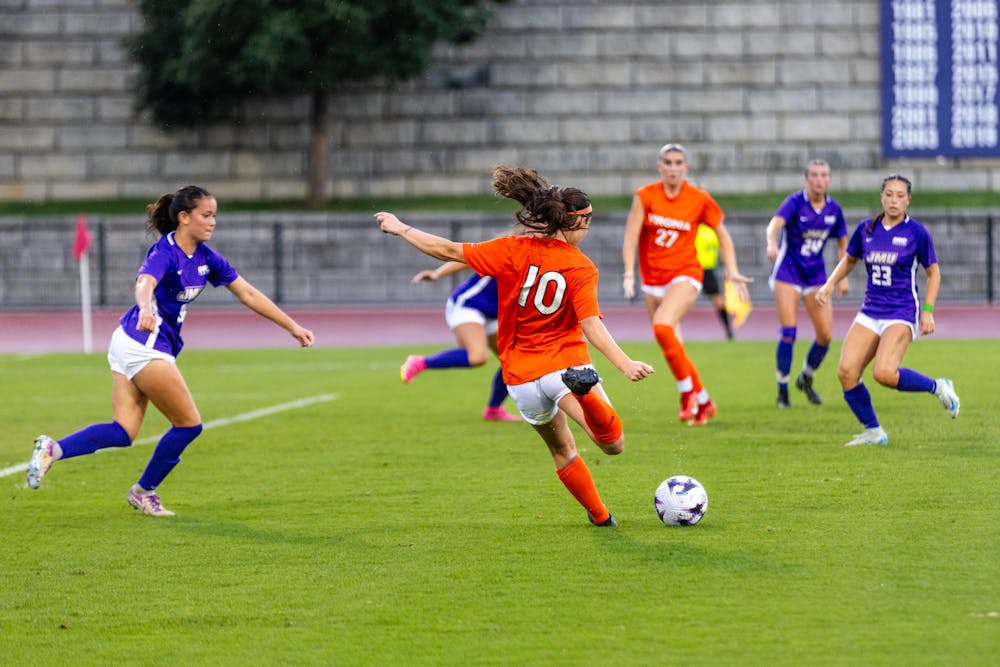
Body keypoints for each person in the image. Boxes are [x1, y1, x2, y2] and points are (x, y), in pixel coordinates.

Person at [376, 165, 654, 527]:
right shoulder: (580, 266)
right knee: (612, 444)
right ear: (576, 223)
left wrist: (401, 228)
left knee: (561, 450)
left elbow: (445, 249)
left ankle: (601, 517)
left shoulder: (511, 249)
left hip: (520, 376)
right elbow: (590, 325)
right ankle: (585, 395)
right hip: (565, 365)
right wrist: (624, 363)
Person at [26, 185, 315, 515]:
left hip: (128, 340)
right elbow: (144, 282)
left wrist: (291, 326)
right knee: (189, 425)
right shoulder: (165, 252)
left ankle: (54, 449)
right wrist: (146, 308)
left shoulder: (206, 257)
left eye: (214, 216)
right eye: (206, 215)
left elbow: (247, 292)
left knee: (123, 432)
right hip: (145, 345)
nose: (212, 222)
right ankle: (143, 492)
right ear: (184, 217)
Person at [815, 174, 959, 447]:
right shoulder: (866, 229)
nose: (894, 200)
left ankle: (939, 386)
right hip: (871, 310)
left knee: (884, 373)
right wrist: (829, 284)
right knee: (846, 372)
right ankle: (874, 431)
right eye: (889, 194)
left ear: (908, 200)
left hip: (901, 312)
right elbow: (850, 259)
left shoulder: (917, 232)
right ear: (881, 197)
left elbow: (934, 273)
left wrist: (927, 311)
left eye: (900, 196)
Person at [622, 143, 751, 426]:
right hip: (652, 279)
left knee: (662, 326)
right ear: (660, 166)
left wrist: (732, 270)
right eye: (667, 162)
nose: (672, 167)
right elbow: (632, 234)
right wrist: (629, 273)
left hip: (686, 273)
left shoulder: (698, 198)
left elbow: (723, 235)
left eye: (678, 162)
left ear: (685, 168)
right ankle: (705, 402)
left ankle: (686, 395)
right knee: (671, 344)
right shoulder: (645, 196)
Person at [765, 159, 849, 408]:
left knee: (825, 335)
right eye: (814, 175)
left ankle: (806, 377)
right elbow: (775, 225)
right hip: (788, 273)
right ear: (807, 178)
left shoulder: (834, 210)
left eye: (824, 175)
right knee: (789, 332)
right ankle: (782, 390)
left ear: (829, 180)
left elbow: (843, 244)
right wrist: (772, 243)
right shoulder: (794, 202)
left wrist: (841, 279)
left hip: (816, 276)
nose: (819, 180)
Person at [401, 261, 520, 422]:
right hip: (468, 305)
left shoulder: (549, 257)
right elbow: (464, 257)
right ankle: (420, 362)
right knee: (477, 357)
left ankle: (493, 410)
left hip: (494, 312)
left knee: (512, 362)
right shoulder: (509, 248)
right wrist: (437, 274)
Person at [695, 224, 734, 340]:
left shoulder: (704, 230)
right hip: (699, 269)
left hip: (701, 270)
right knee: (718, 301)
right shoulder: (711, 232)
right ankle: (729, 330)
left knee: (718, 301)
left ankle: (728, 330)